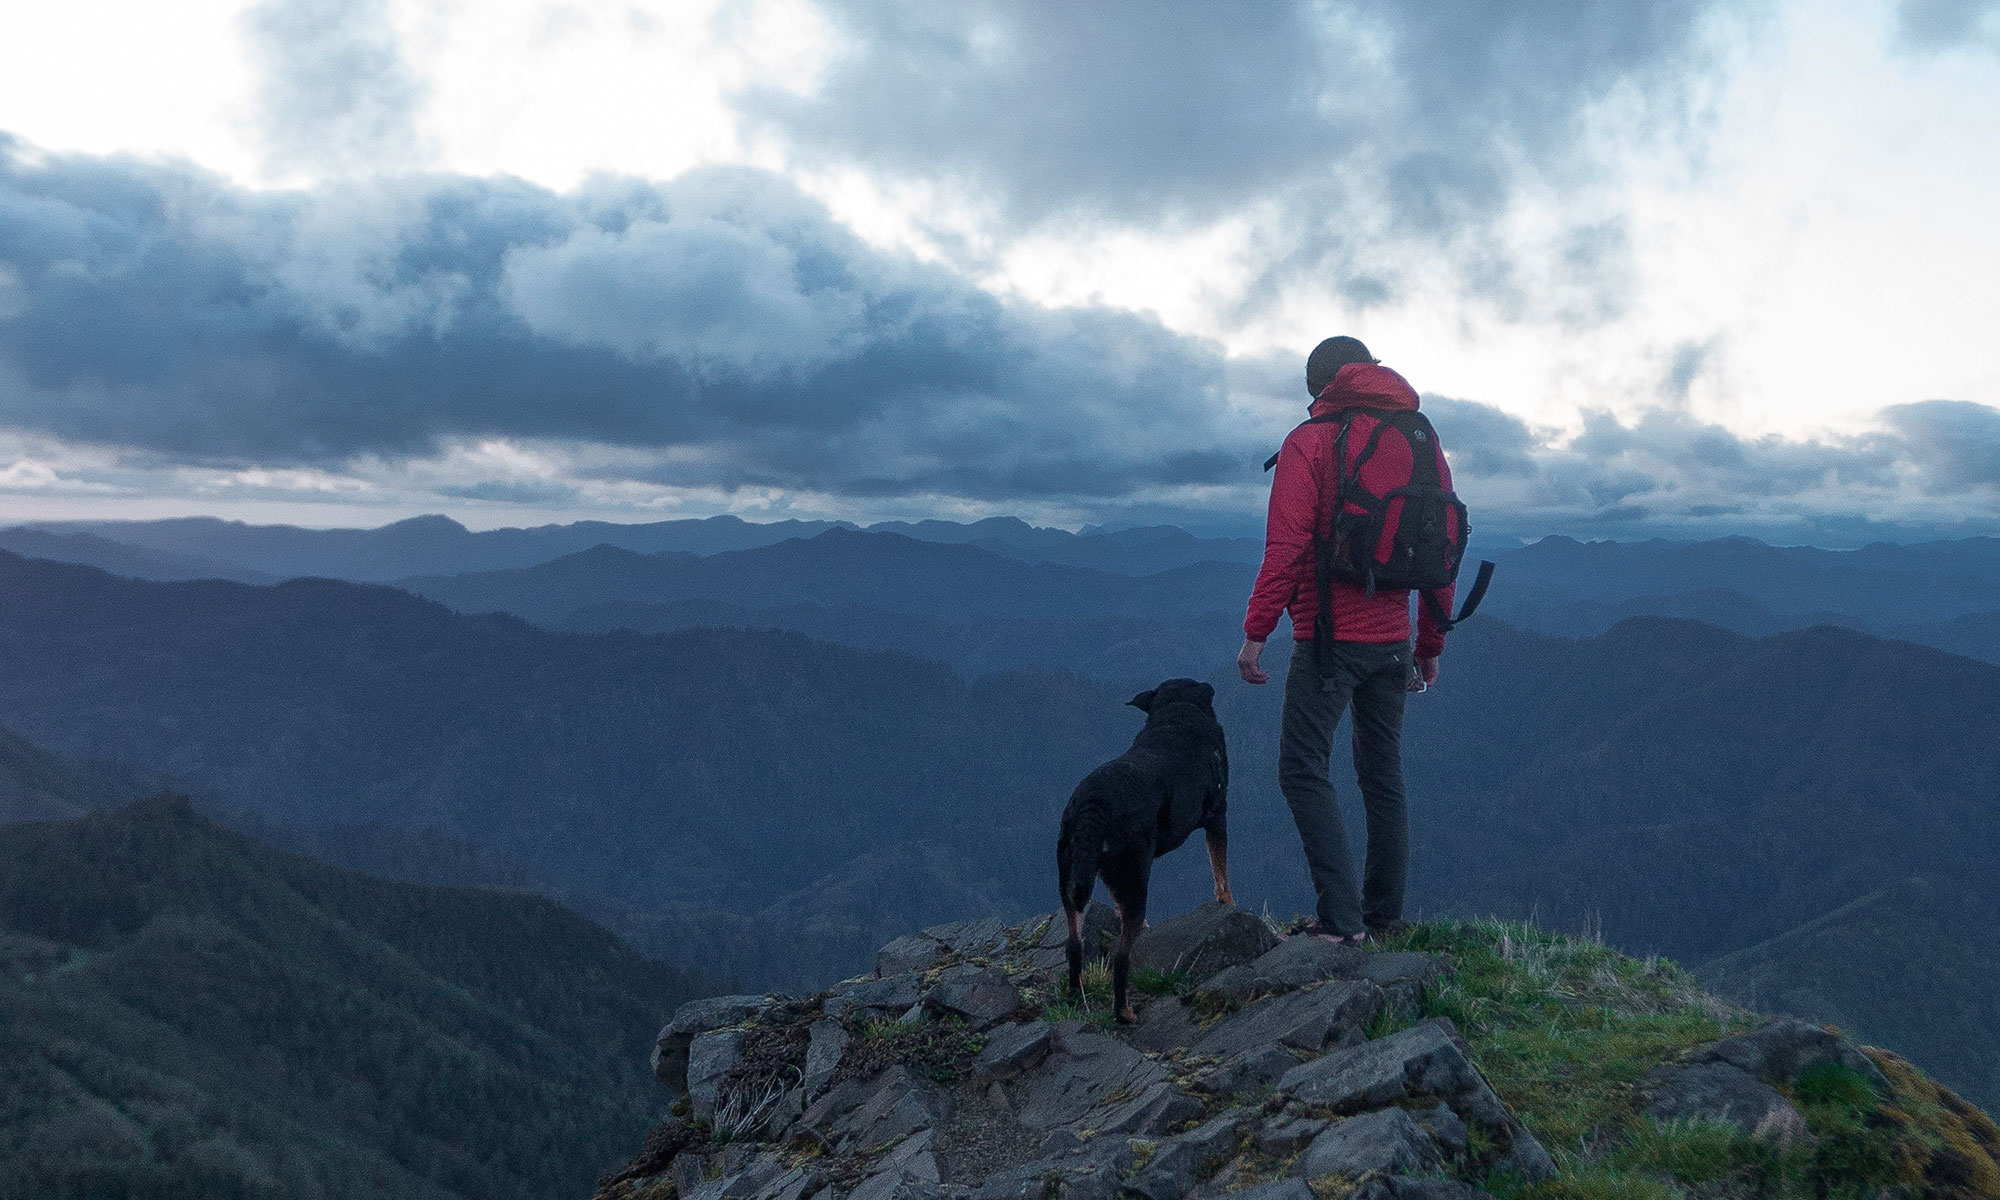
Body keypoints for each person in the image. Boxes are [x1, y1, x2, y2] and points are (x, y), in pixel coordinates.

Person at [1236, 335, 1456, 945]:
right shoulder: (1419, 436)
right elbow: (1441, 545)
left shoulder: (1311, 441)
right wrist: (1430, 642)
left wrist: (1257, 632)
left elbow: (1287, 546)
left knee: (1301, 768)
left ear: (1319, 386)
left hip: (1330, 639)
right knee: (1382, 774)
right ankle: (1382, 917)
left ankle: (1340, 923)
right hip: (1394, 638)